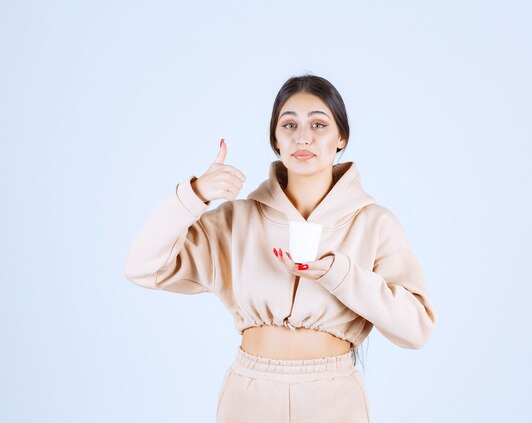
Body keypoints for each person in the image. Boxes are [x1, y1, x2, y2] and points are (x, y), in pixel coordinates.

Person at [123, 74, 437, 423]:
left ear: (341, 137)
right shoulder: (235, 221)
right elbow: (142, 266)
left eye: (318, 124)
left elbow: (416, 329)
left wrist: (340, 274)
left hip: (334, 397)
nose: (303, 136)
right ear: (275, 139)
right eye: (289, 124)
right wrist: (194, 194)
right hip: (250, 397)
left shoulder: (375, 223)